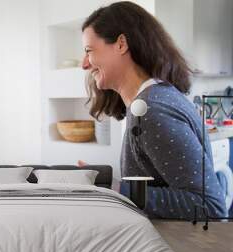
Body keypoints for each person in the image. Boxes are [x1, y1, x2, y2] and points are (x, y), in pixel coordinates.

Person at [80, 1, 226, 219]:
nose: (84, 64)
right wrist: (108, 181)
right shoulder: (149, 102)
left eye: (89, 51)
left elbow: (209, 207)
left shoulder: (153, 110)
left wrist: (114, 189)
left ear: (121, 44)